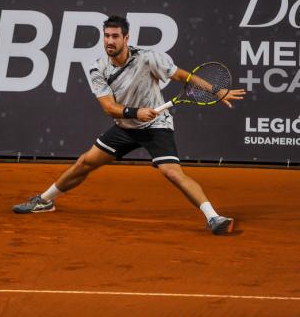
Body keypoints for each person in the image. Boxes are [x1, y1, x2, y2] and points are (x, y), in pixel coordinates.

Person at [13, 15, 245, 235]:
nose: (110, 41)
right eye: (106, 36)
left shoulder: (149, 58)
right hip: (125, 126)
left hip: (156, 125)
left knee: (172, 172)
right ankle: (44, 201)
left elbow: (183, 76)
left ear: (126, 39)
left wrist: (217, 92)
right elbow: (108, 107)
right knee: (85, 162)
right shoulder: (98, 68)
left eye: (115, 36)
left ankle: (213, 217)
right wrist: (135, 112)